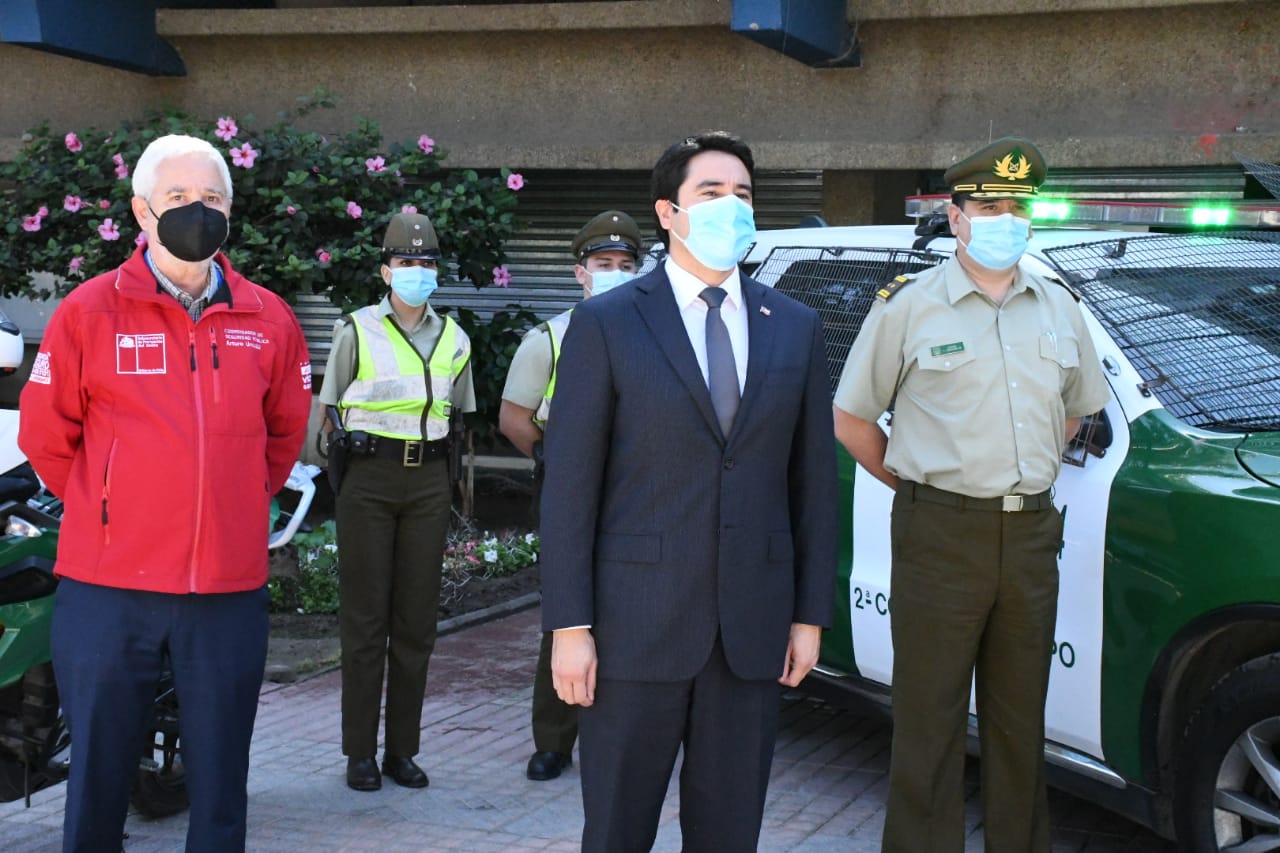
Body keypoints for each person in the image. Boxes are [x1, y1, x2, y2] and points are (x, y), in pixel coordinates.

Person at [539, 132, 838, 851]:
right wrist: (569, 627)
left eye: (743, 194)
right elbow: (570, 487)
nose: (731, 207)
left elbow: (812, 485)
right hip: (633, 631)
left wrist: (808, 616)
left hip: (750, 632)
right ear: (668, 212)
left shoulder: (793, 326)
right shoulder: (607, 322)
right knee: (617, 830)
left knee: (729, 833)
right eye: (711, 193)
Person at [18, 134, 313, 853]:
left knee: (220, 781)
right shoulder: (89, 312)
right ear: (141, 211)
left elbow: (282, 439)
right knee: (97, 776)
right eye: (178, 197)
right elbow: (47, 438)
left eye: (211, 198)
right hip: (108, 589)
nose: (196, 211)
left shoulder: (268, 319)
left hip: (225, 592)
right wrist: (112, 508)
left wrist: (230, 507)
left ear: (230, 212)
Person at [831, 137, 1111, 852]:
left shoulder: (1058, 306)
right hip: (939, 535)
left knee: (1021, 726)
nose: (1004, 220)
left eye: (1017, 207)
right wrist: (923, 486)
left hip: (1029, 534)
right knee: (930, 723)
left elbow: (1074, 412)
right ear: (956, 217)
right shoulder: (909, 306)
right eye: (988, 207)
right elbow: (852, 419)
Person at [317, 212, 475, 793]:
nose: (417, 271)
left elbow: (460, 418)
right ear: (386, 271)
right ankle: (360, 752)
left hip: (429, 479)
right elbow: (328, 414)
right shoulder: (356, 330)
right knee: (365, 622)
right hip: (369, 478)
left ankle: (401, 751)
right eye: (406, 262)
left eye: (426, 262)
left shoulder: (455, 338)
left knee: (416, 623)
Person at [498, 210, 644, 782]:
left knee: (636, 609)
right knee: (567, 608)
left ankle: (626, 733)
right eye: (604, 263)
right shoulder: (550, 339)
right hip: (571, 489)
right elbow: (515, 419)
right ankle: (554, 740)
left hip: (638, 490)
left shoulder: (657, 333)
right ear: (580, 272)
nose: (615, 273)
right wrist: (557, 462)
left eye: (626, 264)